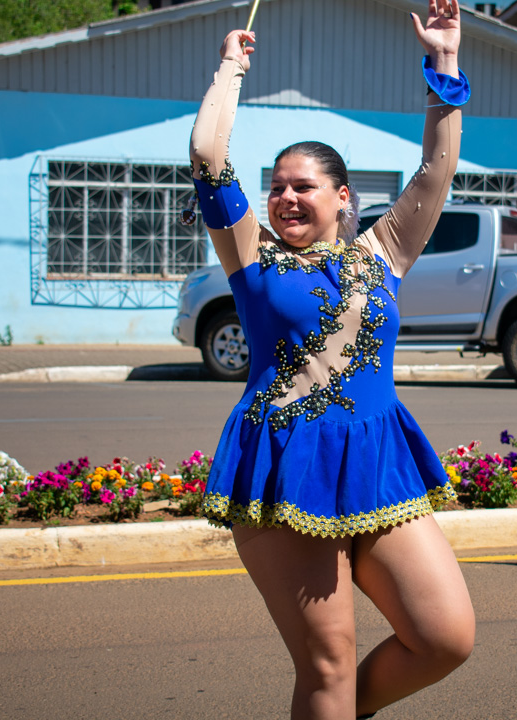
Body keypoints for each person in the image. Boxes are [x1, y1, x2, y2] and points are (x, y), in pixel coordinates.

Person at [187, 1, 475, 717]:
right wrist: (231, 68)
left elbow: (437, 171)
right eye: (276, 186)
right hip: (286, 463)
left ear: (342, 197)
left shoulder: (383, 252)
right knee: (328, 663)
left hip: (378, 461)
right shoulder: (249, 255)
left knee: (444, 637)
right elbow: (208, 158)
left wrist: (443, 61)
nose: (284, 197)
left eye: (302, 185)